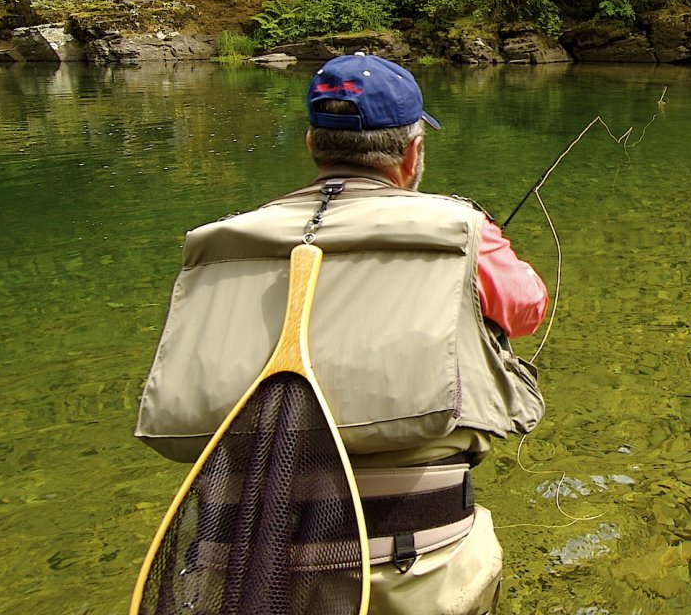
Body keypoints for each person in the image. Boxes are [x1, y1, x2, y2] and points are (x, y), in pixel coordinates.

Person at [134, 52, 549, 614]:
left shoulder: (223, 242)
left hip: (233, 563)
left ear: (312, 143)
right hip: (410, 561)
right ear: (413, 153)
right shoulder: (462, 229)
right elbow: (527, 310)